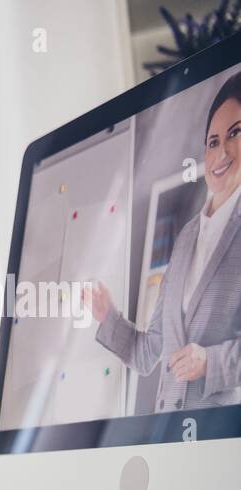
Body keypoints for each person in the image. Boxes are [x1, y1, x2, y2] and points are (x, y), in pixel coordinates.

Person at [85, 71, 241, 412]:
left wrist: (210, 362)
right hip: (167, 435)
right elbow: (147, 353)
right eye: (213, 141)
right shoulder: (186, 238)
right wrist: (107, 316)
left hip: (220, 440)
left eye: (235, 133)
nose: (222, 151)